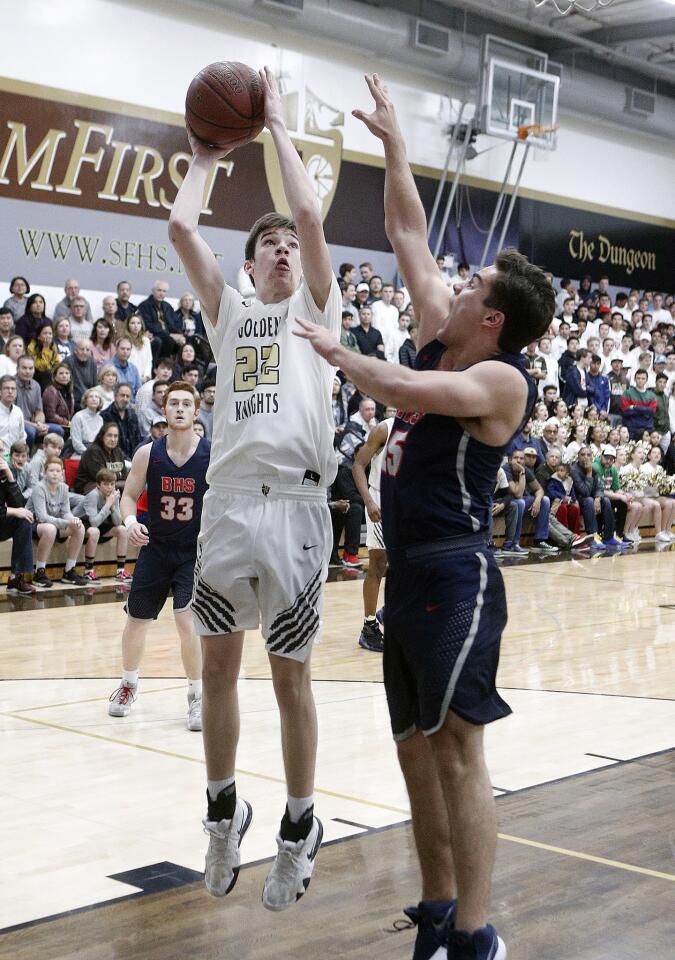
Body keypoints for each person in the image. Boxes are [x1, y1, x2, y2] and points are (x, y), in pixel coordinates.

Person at [294, 72, 555, 960]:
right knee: (413, 749)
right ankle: (439, 907)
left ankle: (477, 935)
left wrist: (338, 351)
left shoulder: (497, 378)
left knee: (456, 752)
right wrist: (396, 143)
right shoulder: (445, 328)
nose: (446, 282)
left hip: (455, 570)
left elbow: (402, 387)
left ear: (490, 316)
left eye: (469, 280)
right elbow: (406, 229)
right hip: (406, 574)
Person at [168, 66, 338, 912]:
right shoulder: (230, 311)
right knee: (220, 672)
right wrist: (203, 154)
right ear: (247, 264)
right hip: (229, 503)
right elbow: (176, 225)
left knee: (289, 679)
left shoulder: (318, 305)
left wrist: (271, 124)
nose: (280, 247)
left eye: (286, 244)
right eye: (265, 244)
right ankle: (220, 811)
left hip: (299, 508)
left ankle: (301, 823)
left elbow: (308, 213)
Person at [108, 382, 209, 730]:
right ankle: (128, 684)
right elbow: (127, 496)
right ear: (164, 411)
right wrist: (131, 520)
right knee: (136, 620)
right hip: (154, 546)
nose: (180, 408)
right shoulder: (148, 453)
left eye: (186, 404)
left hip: (192, 552)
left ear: (196, 412)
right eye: (173, 404)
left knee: (187, 620)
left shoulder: (211, 454)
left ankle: (197, 696)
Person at [351, 414, 395, 652]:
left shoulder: (425, 430)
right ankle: (369, 627)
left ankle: (390, 611)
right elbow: (358, 465)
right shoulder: (384, 429)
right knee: (378, 565)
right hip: (380, 499)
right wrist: (368, 501)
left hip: (408, 503)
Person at [27, 457, 89, 587]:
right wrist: (66, 523)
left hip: (54, 524)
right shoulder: (39, 488)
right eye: (51, 470)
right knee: (50, 529)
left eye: (58, 470)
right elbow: (42, 517)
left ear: (62, 473)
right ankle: (39, 572)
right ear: (44, 473)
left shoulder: (63, 488)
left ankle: (69, 570)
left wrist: (72, 519)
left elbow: (65, 512)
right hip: (32, 524)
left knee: (80, 527)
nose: (55, 473)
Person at [80, 468, 132, 583]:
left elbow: (118, 522)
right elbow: (93, 523)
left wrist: (113, 507)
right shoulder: (93, 495)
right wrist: (108, 505)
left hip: (100, 524)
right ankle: (88, 571)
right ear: (98, 485)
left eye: (112, 484)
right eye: (106, 484)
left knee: (122, 529)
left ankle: (120, 570)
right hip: (83, 524)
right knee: (94, 531)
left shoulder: (114, 495)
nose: (109, 487)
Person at [570, 446, 620, 548]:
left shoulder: (594, 469)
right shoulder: (574, 470)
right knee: (589, 500)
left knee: (605, 500)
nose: (586, 457)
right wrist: (589, 473)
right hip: (577, 499)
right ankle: (593, 537)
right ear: (578, 457)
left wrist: (597, 498)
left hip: (591, 498)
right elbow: (584, 492)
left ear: (592, 457)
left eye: (588, 455)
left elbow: (600, 487)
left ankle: (609, 537)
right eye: (583, 455)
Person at [0, 454, 35, 595]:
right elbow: (16, 509)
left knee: (24, 520)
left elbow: (20, 504)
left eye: (1, 450)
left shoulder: (3, 473)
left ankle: (16, 578)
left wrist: (10, 477)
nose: (0, 454)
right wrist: (14, 511)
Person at [593, 444, 641, 543]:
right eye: (606, 458)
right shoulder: (596, 467)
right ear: (601, 456)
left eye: (611, 459)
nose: (608, 461)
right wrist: (619, 496)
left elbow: (616, 488)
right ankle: (605, 535)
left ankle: (619, 534)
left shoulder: (613, 469)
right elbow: (600, 490)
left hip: (607, 496)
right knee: (608, 502)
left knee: (622, 503)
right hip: (596, 497)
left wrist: (625, 494)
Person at [15, 355, 64, 444]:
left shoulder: (36, 386)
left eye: (31, 368)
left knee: (58, 430)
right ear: (17, 368)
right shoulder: (11, 385)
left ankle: (50, 457)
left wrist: (40, 424)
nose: (27, 371)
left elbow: (39, 412)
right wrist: (35, 426)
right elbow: (13, 417)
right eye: (24, 368)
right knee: (30, 431)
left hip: (33, 424)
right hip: (16, 424)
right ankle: (26, 456)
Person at [74, 422, 128, 494]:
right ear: (102, 436)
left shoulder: (118, 451)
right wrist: (119, 475)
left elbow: (124, 474)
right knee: (110, 487)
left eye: (116, 436)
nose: (113, 439)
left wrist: (119, 477)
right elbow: (102, 477)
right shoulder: (93, 451)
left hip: (111, 485)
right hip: (89, 486)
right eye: (109, 435)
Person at [101, 383, 142, 458]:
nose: (125, 399)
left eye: (128, 396)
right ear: (115, 396)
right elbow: (106, 442)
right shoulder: (105, 415)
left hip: (133, 458)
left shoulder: (133, 416)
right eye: (122, 395)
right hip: (113, 459)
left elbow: (138, 439)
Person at [69, 387, 105, 458]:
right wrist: (90, 454)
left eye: (97, 397)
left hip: (96, 451)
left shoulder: (100, 419)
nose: (94, 399)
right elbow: (77, 443)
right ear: (85, 400)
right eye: (91, 397)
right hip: (81, 452)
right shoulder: (78, 416)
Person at [621, 369, 657, 439]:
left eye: (643, 378)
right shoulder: (627, 393)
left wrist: (634, 407)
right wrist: (645, 410)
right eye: (638, 378)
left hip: (647, 430)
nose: (640, 380)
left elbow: (652, 412)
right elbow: (625, 411)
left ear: (646, 380)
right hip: (631, 429)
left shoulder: (652, 396)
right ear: (634, 379)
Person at [41, 363, 75, 433]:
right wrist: (67, 423)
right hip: (53, 425)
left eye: (67, 373)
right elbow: (50, 415)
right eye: (61, 373)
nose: (64, 376)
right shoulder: (51, 391)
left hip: (66, 425)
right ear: (55, 376)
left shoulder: (69, 392)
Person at [67, 339, 98, 408]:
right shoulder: (68, 362)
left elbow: (95, 385)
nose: (85, 352)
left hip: (89, 400)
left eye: (87, 350)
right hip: (74, 401)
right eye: (82, 349)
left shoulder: (92, 361)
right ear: (75, 350)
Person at [27, 323, 59, 389]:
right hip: (36, 375)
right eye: (45, 333)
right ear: (38, 336)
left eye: (50, 334)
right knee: (46, 374)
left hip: (49, 374)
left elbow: (56, 363)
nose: (48, 336)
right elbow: (40, 367)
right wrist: (46, 348)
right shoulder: (32, 347)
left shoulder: (53, 346)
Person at [0, 375, 27, 452]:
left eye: (13, 388)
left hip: (15, 456)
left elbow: (22, 437)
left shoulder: (18, 412)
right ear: (0, 391)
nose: (10, 391)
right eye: (6, 388)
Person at [124, 315, 153, 381]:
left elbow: (149, 361)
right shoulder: (123, 341)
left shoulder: (146, 341)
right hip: (128, 378)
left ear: (141, 325)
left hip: (144, 378)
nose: (136, 326)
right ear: (128, 325)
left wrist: (146, 376)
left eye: (138, 323)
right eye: (132, 323)